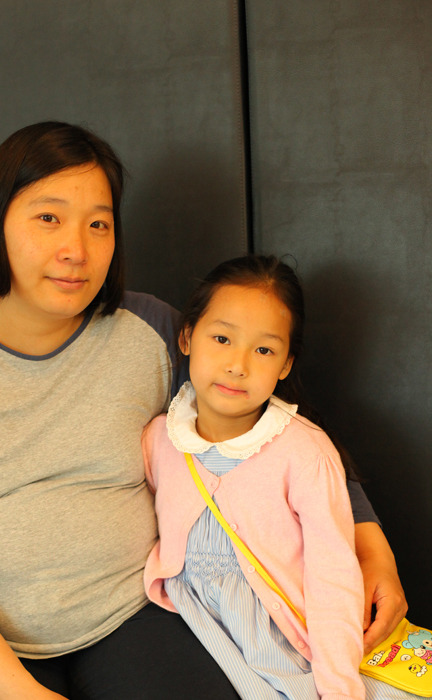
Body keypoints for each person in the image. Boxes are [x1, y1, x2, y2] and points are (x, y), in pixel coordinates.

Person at [0, 123, 405, 699]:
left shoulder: (151, 330)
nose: (77, 250)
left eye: (98, 224)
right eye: (48, 218)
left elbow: (274, 430)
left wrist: (373, 548)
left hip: (136, 616)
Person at [142, 255, 415, 699]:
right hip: (197, 629)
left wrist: (339, 686)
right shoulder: (159, 438)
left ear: (286, 364)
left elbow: (333, 579)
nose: (238, 365)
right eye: (222, 338)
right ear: (187, 337)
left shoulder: (305, 453)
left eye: (264, 350)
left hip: (286, 638)